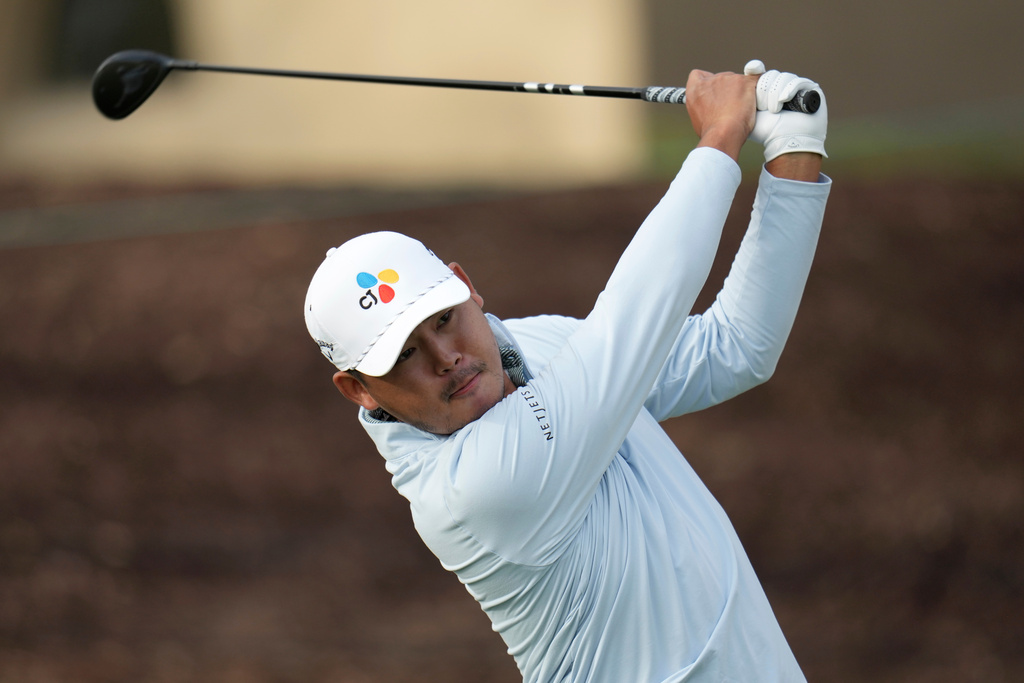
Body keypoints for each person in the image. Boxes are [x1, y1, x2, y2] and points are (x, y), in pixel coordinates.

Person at [303, 61, 831, 682]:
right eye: (404, 355)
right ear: (358, 389)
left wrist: (797, 146)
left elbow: (734, 346)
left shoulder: (539, 346)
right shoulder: (472, 492)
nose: (445, 358)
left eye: (442, 320)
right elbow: (633, 319)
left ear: (466, 286)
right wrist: (718, 143)